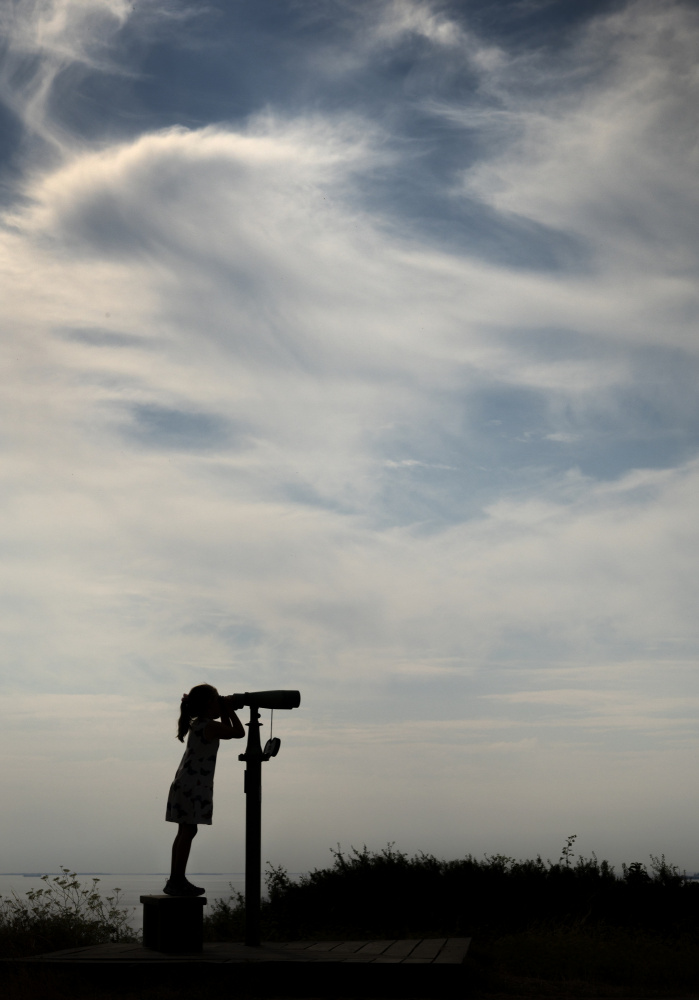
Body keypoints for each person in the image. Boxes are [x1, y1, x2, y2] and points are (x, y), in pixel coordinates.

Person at [164, 683, 245, 896]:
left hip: (185, 783)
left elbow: (227, 733)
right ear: (209, 704)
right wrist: (228, 709)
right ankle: (177, 880)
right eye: (216, 699)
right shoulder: (208, 726)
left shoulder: (201, 724)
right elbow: (238, 732)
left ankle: (175, 879)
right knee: (188, 830)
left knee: (185, 831)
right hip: (194, 786)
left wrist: (226, 710)